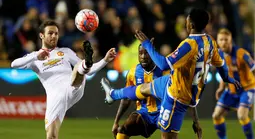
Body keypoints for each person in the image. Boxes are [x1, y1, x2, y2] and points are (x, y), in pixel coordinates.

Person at [101, 8, 241, 139]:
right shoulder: (210, 41)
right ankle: (112, 94)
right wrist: (227, 78)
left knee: (167, 137)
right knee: (144, 88)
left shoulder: (189, 44)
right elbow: (221, 64)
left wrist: (147, 44)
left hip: (176, 96)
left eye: (187, 20)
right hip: (171, 81)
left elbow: (162, 64)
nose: (185, 22)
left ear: (191, 24)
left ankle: (113, 95)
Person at [11, 20, 116, 139]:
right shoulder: (34, 58)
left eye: (56, 33)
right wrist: (36, 56)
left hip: (73, 86)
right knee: (51, 136)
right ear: (42, 35)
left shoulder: (65, 52)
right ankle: (84, 65)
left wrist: (105, 60)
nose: (54, 36)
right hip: (55, 96)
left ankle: (86, 63)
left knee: (78, 67)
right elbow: (14, 64)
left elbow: (90, 71)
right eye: (50, 33)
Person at [212, 28, 254, 139]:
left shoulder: (242, 53)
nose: (223, 42)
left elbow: (254, 68)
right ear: (217, 41)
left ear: (231, 41)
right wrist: (221, 87)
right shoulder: (219, 55)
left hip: (247, 89)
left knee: (241, 115)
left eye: (226, 39)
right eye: (221, 40)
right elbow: (224, 74)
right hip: (231, 90)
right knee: (216, 115)